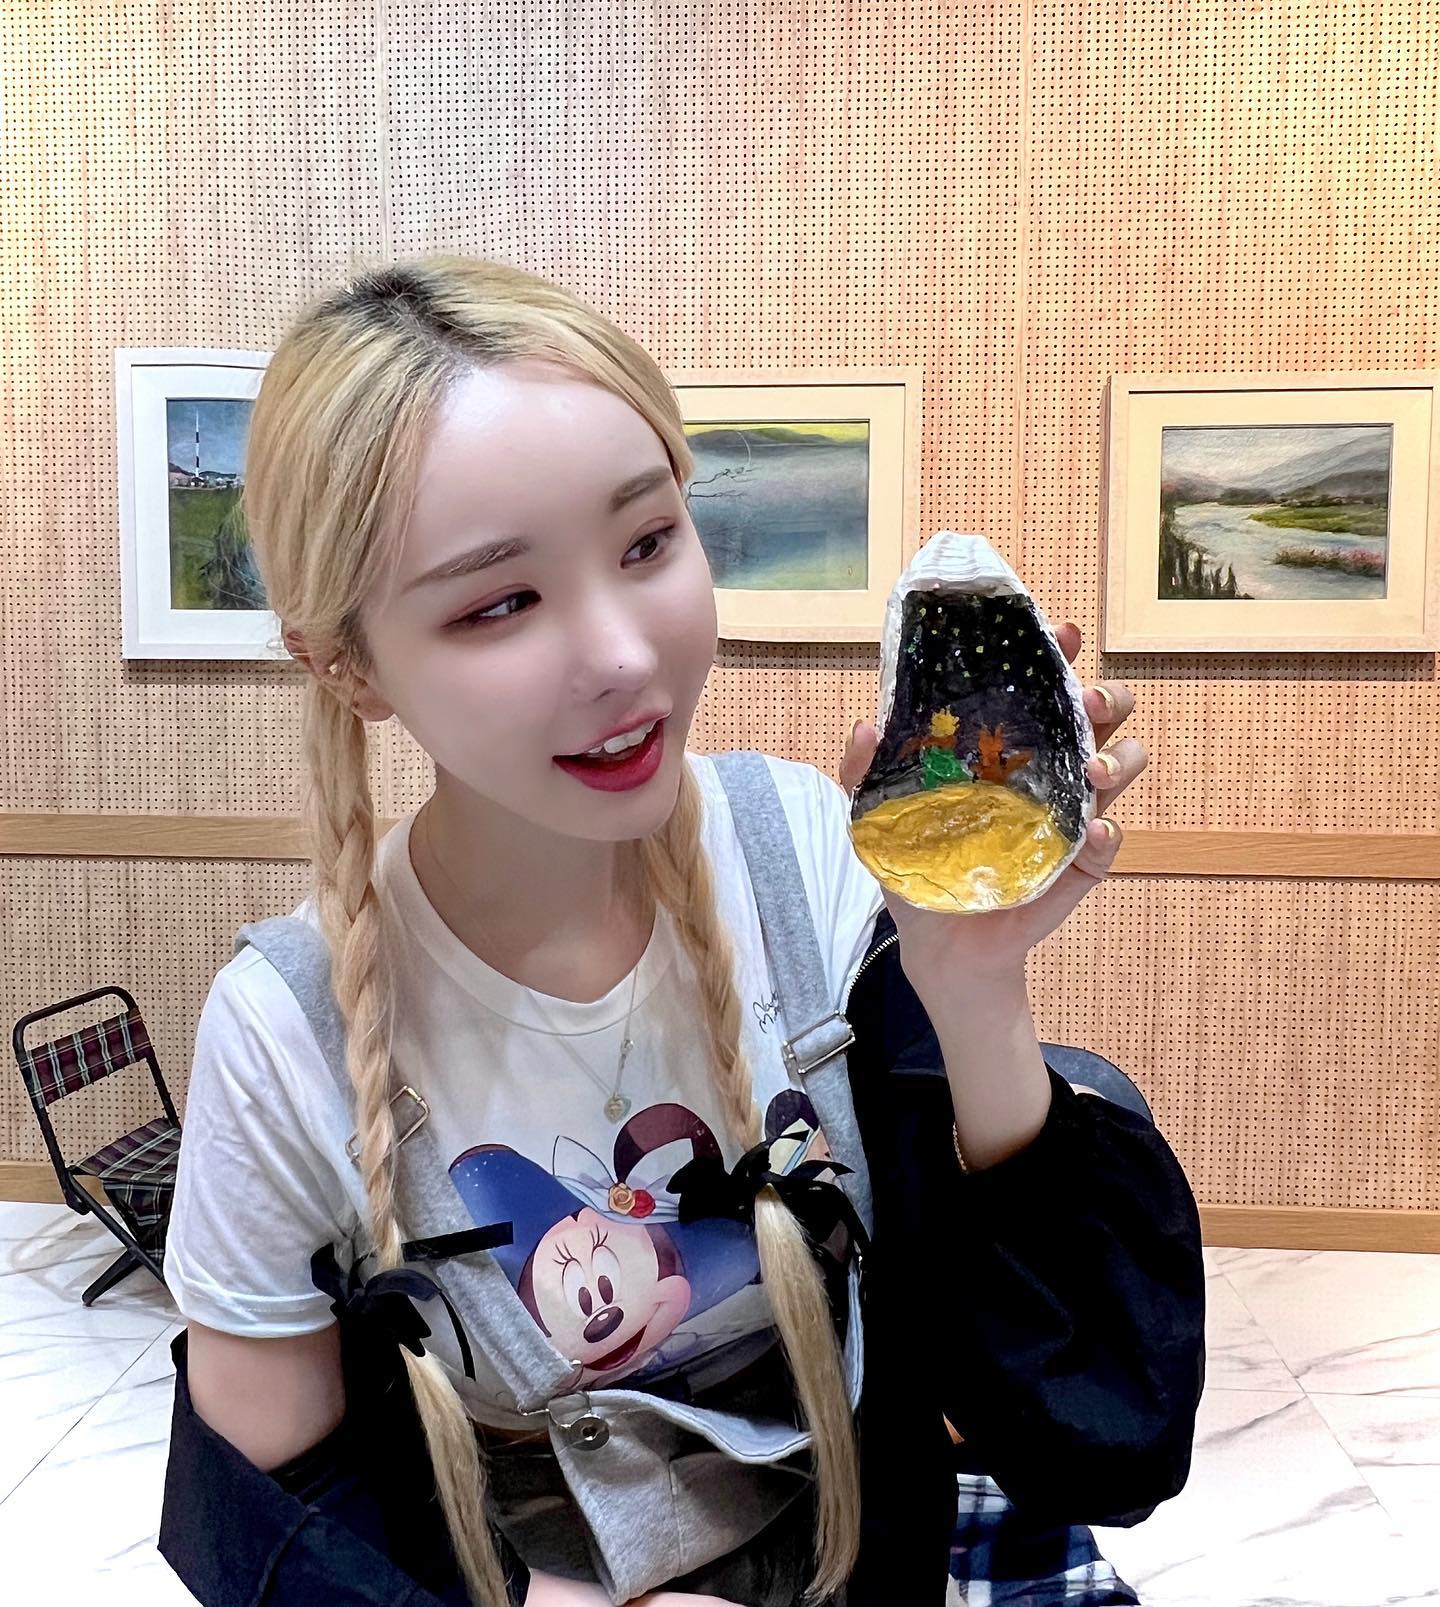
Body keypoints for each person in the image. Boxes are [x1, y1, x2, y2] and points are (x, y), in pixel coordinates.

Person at [156, 254, 1203, 1607]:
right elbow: (283, 1509)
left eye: (648, 543)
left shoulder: (805, 862)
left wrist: (971, 982)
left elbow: (1092, 1435)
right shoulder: (285, 1032)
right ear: (346, 664)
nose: (624, 657)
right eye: (499, 602)